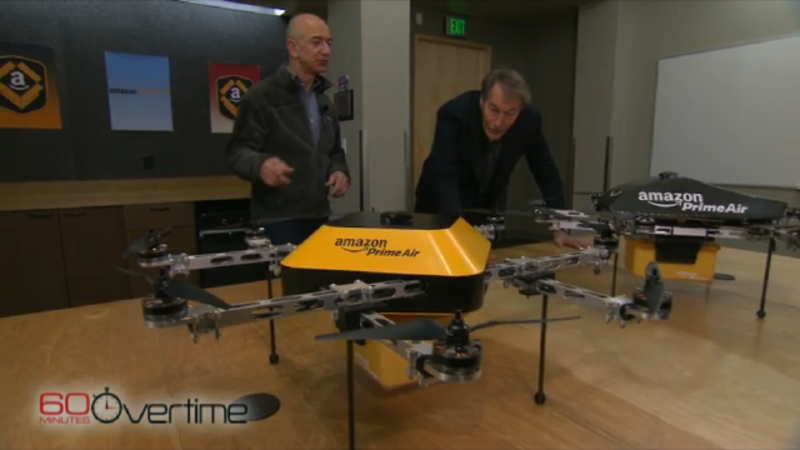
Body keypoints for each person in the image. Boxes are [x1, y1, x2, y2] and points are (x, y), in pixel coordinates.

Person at [414, 68, 585, 249]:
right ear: (482, 101)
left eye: (510, 113)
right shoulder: (454, 114)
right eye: (493, 110)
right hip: (440, 206)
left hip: (486, 203)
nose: (498, 122)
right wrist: (460, 235)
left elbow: (545, 171)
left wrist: (560, 225)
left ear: (520, 110)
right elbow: (445, 177)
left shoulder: (529, 120)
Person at [225, 13, 350, 246]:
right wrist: (261, 165)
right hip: (278, 220)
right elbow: (238, 151)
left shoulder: (326, 104)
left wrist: (339, 170)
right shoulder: (262, 97)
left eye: (329, 43)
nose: (326, 51)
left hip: (319, 215)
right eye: (316, 42)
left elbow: (335, 152)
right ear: (293, 48)